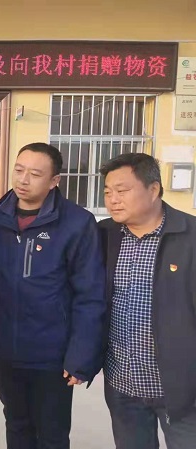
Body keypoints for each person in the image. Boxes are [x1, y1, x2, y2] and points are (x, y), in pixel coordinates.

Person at [0, 142, 107, 449]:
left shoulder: (77, 223)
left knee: (52, 432)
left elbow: (90, 295)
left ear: (54, 180)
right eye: (19, 170)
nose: (23, 180)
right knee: (16, 424)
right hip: (7, 347)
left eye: (34, 174)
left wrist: (80, 355)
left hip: (53, 353)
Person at [98, 153, 196, 449]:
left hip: (182, 390)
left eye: (122, 190)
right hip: (122, 385)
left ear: (153, 190)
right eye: (107, 192)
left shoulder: (189, 236)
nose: (113, 200)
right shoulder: (103, 236)